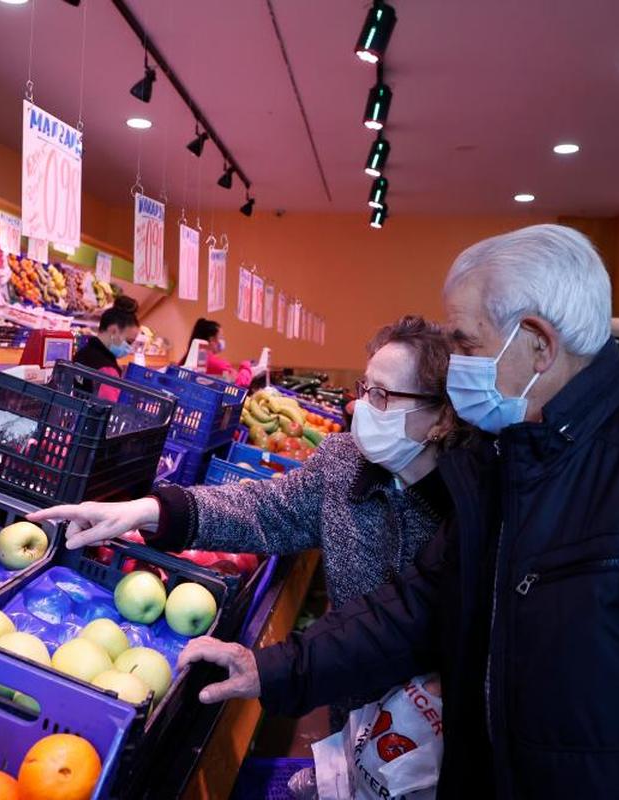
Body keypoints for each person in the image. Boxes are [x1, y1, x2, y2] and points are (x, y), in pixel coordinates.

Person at [176, 224, 619, 797]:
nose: (456, 366)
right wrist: (275, 668)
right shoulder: (502, 463)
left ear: (536, 342)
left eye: (467, 344)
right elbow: (419, 604)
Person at [29, 315, 462, 723]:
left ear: (441, 417)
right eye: (364, 390)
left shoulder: (469, 507)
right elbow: (264, 508)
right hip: (350, 702)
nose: (360, 409)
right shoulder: (343, 463)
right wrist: (151, 510)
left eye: (383, 396)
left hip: (441, 726)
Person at [73, 295, 139, 378]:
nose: (129, 348)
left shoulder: (82, 353)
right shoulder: (108, 370)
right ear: (113, 331)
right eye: (129, 342)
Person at [186, 317, 261, 387]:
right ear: (212, 340)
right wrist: (246, 366)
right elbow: (240, 382)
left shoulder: (187, 358)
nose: (223, 340)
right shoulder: (215, 363)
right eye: (221, 337)